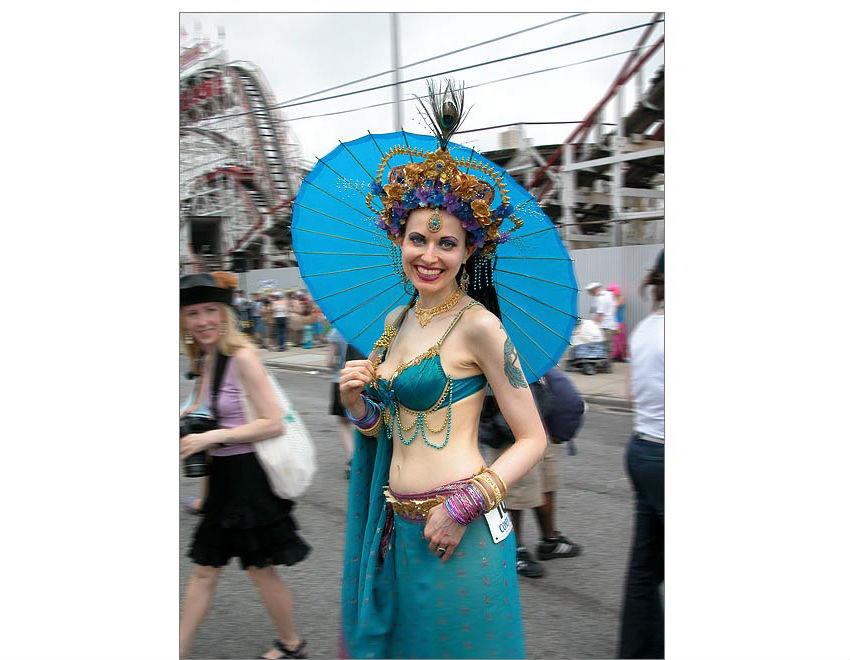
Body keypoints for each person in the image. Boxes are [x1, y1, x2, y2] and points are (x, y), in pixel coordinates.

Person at [333, 81, 553, 659]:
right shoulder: (394, 319)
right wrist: (359, 407)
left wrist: (466, 505)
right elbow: (386, 428)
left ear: (468, 251)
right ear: (398, 239)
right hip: (399, 532)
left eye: (446, 243)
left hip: (460, 530)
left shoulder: (480, 325)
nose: (429, 255)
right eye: (417, 239)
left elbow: (534, 438)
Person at [179, 272, 311, 660]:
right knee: (206, 569)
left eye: (210, 310)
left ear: (224, 313)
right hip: (222, 482)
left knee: (259, 568)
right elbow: (204, 417)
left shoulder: (242, 357)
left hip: (247, 483)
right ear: (182, 321)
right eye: (192, 313)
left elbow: (271, 422)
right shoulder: (205, 360)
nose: (202, 320)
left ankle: (291, 644)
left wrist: (209, 438)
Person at [479, 367, 585, 578]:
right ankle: (513, 550)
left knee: (547, 482)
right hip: (509, 428)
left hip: (535, 421)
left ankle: (549, 540)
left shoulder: (524, 346)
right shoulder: (489, 338)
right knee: (516, 493)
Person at [617, 249, 664, 659]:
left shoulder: (646, 328)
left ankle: (638, 649)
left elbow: (631, 395)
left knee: (645, 568)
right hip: (666, 456)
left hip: (643, 449)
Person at [326, 326, 365, 479]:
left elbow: (329, 362)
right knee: (360, 420)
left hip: (340, 381)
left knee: (343, 423)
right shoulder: (363, 328)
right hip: (360, 379)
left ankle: (352, 456)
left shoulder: (337, 332)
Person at [585, 282, 617, 357]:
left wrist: (591, 325)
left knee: (604, 347)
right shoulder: (608, 294)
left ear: (595, 289)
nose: (589, 293)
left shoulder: (601, 298)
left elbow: (600, 315)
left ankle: (606, 365)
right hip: (608, 325)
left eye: (590, 291)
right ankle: (607, 365)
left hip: (604, 326)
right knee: (607, 346)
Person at [607, 283, 629, 362]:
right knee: (614, 340)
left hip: (619, 322)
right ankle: (615, 356)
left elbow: (616, 306)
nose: (610, 293)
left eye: (611, 291)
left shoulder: (621, 298)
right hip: (613, 322)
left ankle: (624, 357)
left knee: (620, 340)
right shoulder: (612, 299)